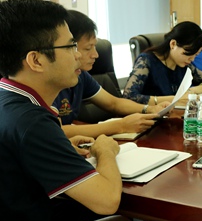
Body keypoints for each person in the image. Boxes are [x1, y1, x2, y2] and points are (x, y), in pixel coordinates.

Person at [0, 0, 174, 221]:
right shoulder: (32, 122)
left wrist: (61, 145)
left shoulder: (10, 99)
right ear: (36, 60)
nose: (79, 56)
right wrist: (106, 151)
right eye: (71, 46)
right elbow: (106, 201)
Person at [51, 10, 168, 138]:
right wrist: (121, 125)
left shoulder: (81, 75)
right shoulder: (49, 80)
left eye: (95, 47)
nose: (96, 55)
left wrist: (149, 109)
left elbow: (113, 103)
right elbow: (54, 130)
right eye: (88, 48)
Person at [124, 21, 202, 103]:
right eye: (188, 54)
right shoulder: (146, 61)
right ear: (173, 44)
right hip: (151, 116)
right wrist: (174, 99)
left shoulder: (185, 65)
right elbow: (129, 96)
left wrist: (194, 90)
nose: (192, 59)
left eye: (195, 55)